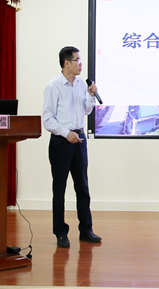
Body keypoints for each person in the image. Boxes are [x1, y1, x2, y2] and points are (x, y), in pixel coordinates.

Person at [42, 46, 101, 248]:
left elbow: (85, 110)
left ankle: (86, 230)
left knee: (82, 187)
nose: (81, 64)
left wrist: (91, 95)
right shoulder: (53, 86)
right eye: (78, 60)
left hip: (80, 138)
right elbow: (47, 119)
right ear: (67, 63)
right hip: (62, 141)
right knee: (59, 188)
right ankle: (60, 232)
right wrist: (66, 133)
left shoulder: (81, 84)